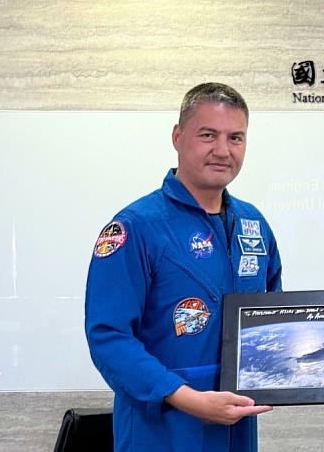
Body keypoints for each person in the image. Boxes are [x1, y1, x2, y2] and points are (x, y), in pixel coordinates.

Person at [85, 82, 282, 452]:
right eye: (208, 135)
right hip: (161, 431)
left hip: (237, 428)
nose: (222, 150)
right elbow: (109, 337)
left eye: (235, 138)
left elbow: (274, 316)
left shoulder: (253, 223)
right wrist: (186, 397)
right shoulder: (135, 227)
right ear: (178, 136)